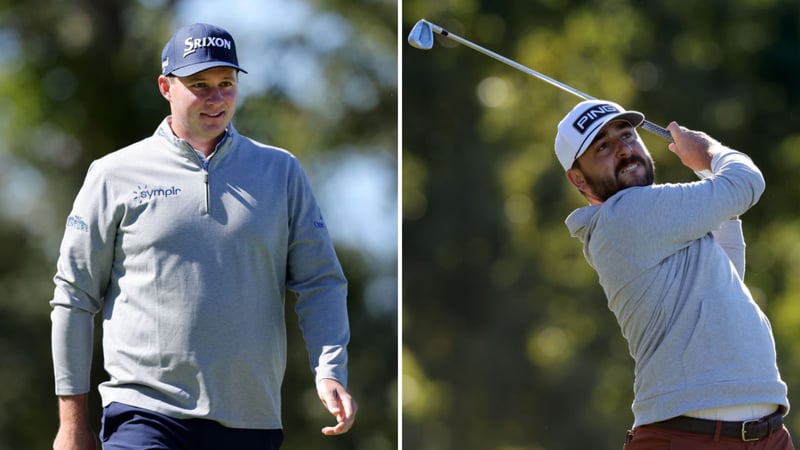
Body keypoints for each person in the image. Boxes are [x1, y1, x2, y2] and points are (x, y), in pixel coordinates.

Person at [50, 23, 356, 450]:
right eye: (199, 85)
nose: (216, 99)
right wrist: (72, 424)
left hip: (252, 422)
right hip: (144, 414)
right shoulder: (113, 174)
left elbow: (319, 280)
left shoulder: (280, 171)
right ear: (166, 87)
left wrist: (329, 369)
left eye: (226, 84)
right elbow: (74, 296)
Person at [554, 99, 793, 449]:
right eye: (602, 146)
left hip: (765, 436)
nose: (623, 149)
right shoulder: (625, 215)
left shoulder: (656, 221)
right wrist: (710, 153)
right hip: (689, 438)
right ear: (577, 178)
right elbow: (746, 183)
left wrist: (717, 194)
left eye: (628, 135)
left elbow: (726, 280)